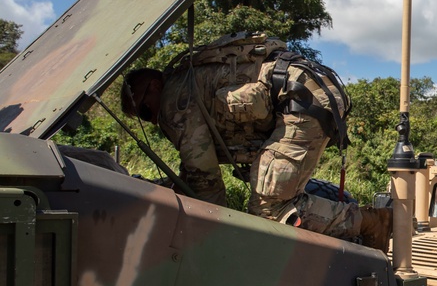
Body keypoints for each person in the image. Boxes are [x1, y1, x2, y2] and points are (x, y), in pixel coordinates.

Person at [121, 37, 391, 252]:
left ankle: (372, 223)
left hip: (302, 98)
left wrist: (209, 243)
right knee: (272, 194)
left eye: (145, 111)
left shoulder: (174, 99)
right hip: (306, 94)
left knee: (268, 207)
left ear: (156, 86)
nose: (152, 120)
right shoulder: (187, 84)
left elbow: (204, 179)